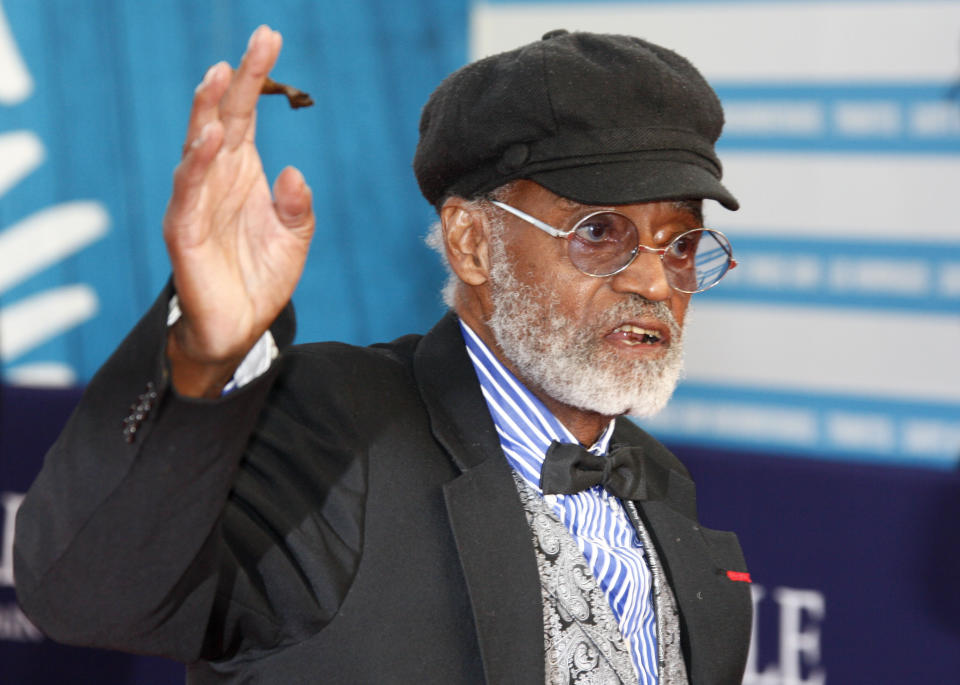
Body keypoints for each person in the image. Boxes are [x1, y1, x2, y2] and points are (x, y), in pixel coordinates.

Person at [14, 25, 751, 685]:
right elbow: (89, 593)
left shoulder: (661, 484)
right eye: (599, 232)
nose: (657, 279)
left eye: (682, 242)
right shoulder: (336, 427)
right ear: (472, 243)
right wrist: (209, 351)